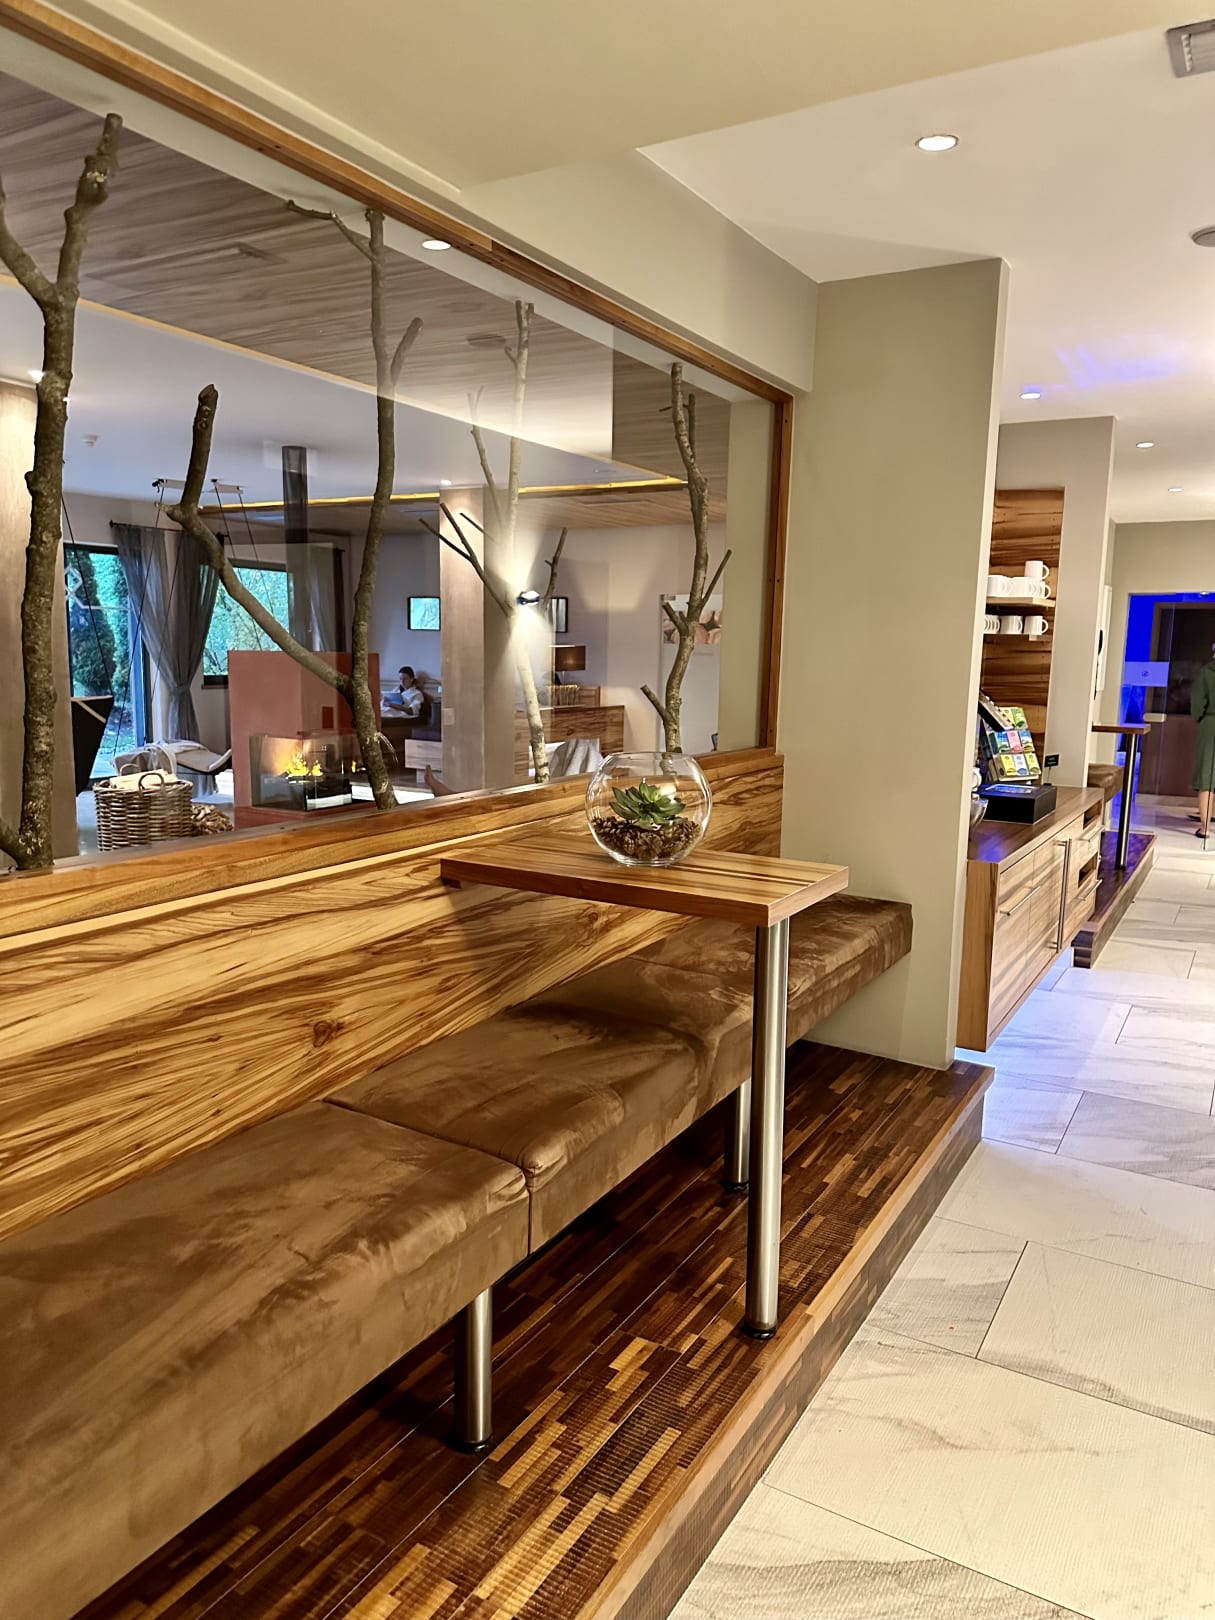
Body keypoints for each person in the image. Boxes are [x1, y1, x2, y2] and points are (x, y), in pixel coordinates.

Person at [1190, 643, 1215, 839]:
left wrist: (1202, 717)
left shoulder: (1206, 673)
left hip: (1210, 725)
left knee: (1207, 776)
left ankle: (1205, 827)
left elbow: (1197, 705)